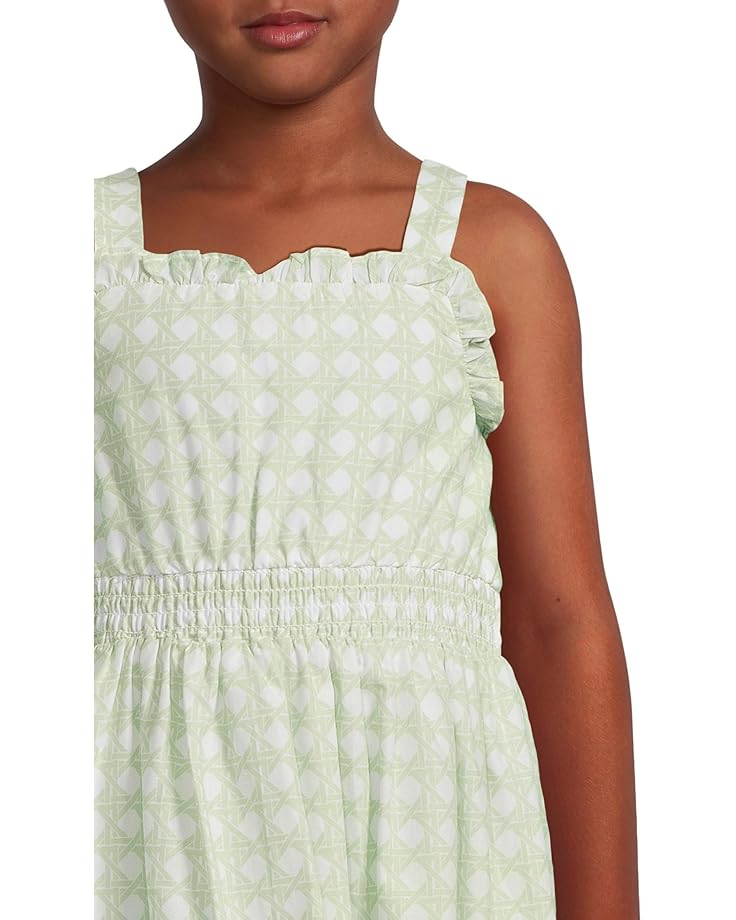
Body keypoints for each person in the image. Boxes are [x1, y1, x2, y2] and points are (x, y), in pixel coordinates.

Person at [93, 2, 640, 917]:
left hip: (429, 837)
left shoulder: (490, 250)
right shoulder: (63, 260)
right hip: (144, 829)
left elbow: (561, 625)